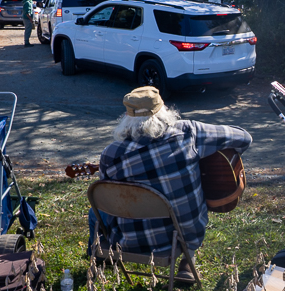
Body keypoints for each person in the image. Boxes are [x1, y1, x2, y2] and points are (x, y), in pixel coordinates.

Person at [88, 86, 252, 280]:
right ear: (163, 110)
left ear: (127, 117)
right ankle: (188, 261)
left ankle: (99, 256)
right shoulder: (189, 132)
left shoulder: (111, 153)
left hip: (128, 242)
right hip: (182, 238)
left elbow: (109, 197)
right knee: (187, 201)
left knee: (95, 211)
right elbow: (244, 137)